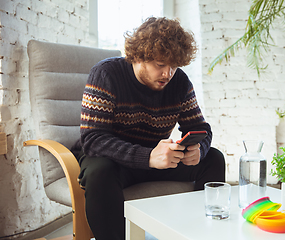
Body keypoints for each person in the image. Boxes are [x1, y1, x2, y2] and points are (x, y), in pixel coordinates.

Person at [71, 17, 225, 240]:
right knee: (99, 172)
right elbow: (93, 139)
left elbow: (200, 127)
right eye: (160, 65)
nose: (167, 74)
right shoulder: (106, 74)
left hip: (154, 160)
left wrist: (198, 149)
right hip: (110, 160)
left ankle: (199, 234)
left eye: (174, 66)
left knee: (213, 158)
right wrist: (147, 157)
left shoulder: (179, 82)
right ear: (138, 57)